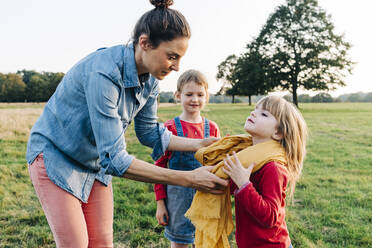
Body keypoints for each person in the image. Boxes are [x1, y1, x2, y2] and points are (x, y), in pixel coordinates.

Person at [26, 1, 227, 247]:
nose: (177, 67)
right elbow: (115, 159)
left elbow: (149, 133)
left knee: (102, 243)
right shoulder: (104, 74)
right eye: (172, 56)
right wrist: (188, 178)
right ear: (145, 43)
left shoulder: (151, 80)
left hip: (93, 165)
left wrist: (200, 143)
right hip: (56, 157)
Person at [222, 95, 307, 248]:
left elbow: (270, 217)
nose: (253, 113)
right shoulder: (250, 157)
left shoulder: (273, 168)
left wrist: (243, 184)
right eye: (255, 109)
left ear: (278, 133)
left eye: (264, 114)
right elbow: (234, 190)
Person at [154, 69, 220, 247]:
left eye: (200, 94)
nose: (195, 99)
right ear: (178, 95)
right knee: (180, 243)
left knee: (205, 242)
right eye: (189, 94)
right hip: (178, 202)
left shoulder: (212, 128)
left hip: (206, 199)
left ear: (207, 96)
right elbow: (159, 167)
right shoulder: (170, 128)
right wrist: (161, 204)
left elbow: (217, 165)